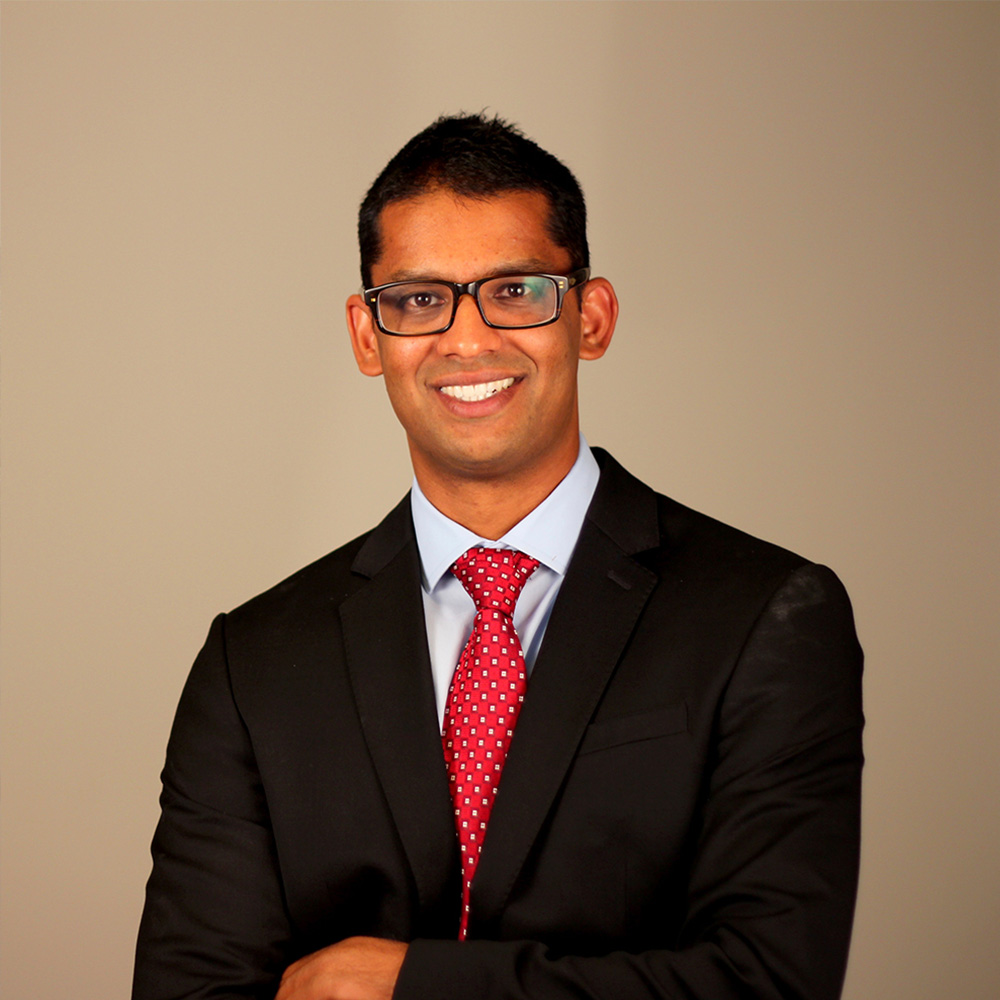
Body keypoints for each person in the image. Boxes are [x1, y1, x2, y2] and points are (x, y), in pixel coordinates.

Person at [133, 113, 864, 1000]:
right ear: (370, 338)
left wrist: (412, 986)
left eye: (516, 291)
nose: (468, 340)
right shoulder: (252, 662)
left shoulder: (768, 617)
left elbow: (769, 982)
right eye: (418, 299)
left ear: (589, 318)